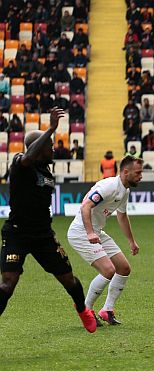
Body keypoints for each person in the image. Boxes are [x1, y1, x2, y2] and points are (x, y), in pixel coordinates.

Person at [0, 108, 96, 332]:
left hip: (44, 236)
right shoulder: (20, 164)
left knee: (69, 280)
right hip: (16, 233)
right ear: (40, 147)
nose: (53, 149)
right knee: (7, 284)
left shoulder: (46, 171)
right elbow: (28, 157)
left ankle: (82, 309)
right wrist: (51, 128)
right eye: (50, 146)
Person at [67, 155, 144, 325]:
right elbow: (85, 206)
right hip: (81, 232)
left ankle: (107, 310)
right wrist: (89, 233)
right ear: (126, 172)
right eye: (138, 173)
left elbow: (122, 216)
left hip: (96, 232)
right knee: (109, 270)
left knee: (123, 268)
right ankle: (86, 309)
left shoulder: (125, 190)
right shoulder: (108, 186)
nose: (141, 176)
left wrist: (131, 241)